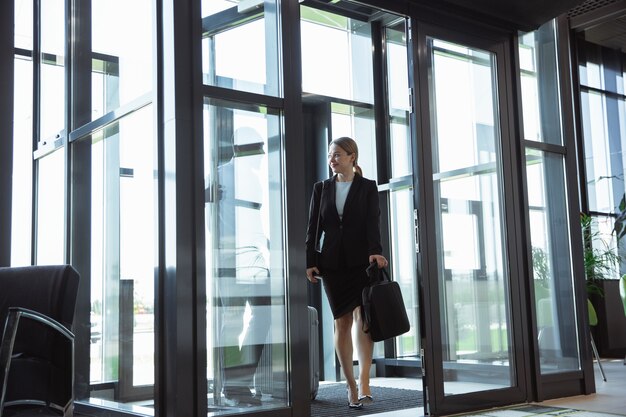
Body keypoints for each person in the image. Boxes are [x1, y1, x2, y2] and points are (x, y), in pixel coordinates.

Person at [305, 136, 388, 409]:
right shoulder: (321, 188)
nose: (333, 160)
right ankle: (351, 385)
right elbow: (313, 229)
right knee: (341, 322)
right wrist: (310, 260)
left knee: (363, 319)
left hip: (361, 262)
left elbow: (372, 223)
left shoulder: (367, 187)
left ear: (352, 157)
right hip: (331, 264)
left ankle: (365, 378)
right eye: (331, 155)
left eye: (338, 154)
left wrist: (376, 250)